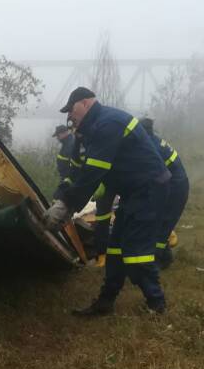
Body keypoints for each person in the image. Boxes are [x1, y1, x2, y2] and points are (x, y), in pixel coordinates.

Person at [45, 88, 171, 315]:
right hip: (135, 192)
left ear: (85, 103)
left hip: (148, 191)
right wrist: (65, 195)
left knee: (135, 252)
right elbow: (83, 169)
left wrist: (66, 205)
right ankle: (105, 302)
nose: (71, 117)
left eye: (72, 110)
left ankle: (157, 304)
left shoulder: (107, 124)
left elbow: (93, 172)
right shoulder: (98, 126)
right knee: (115, 250)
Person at [140, 117, 189, 269]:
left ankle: (159, 261)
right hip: (177, 183)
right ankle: (163, 257)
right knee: (162, 223)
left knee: (162, 224)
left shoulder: (151, 147)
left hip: (175, 187)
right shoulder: (155, 141)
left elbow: (156, 174)